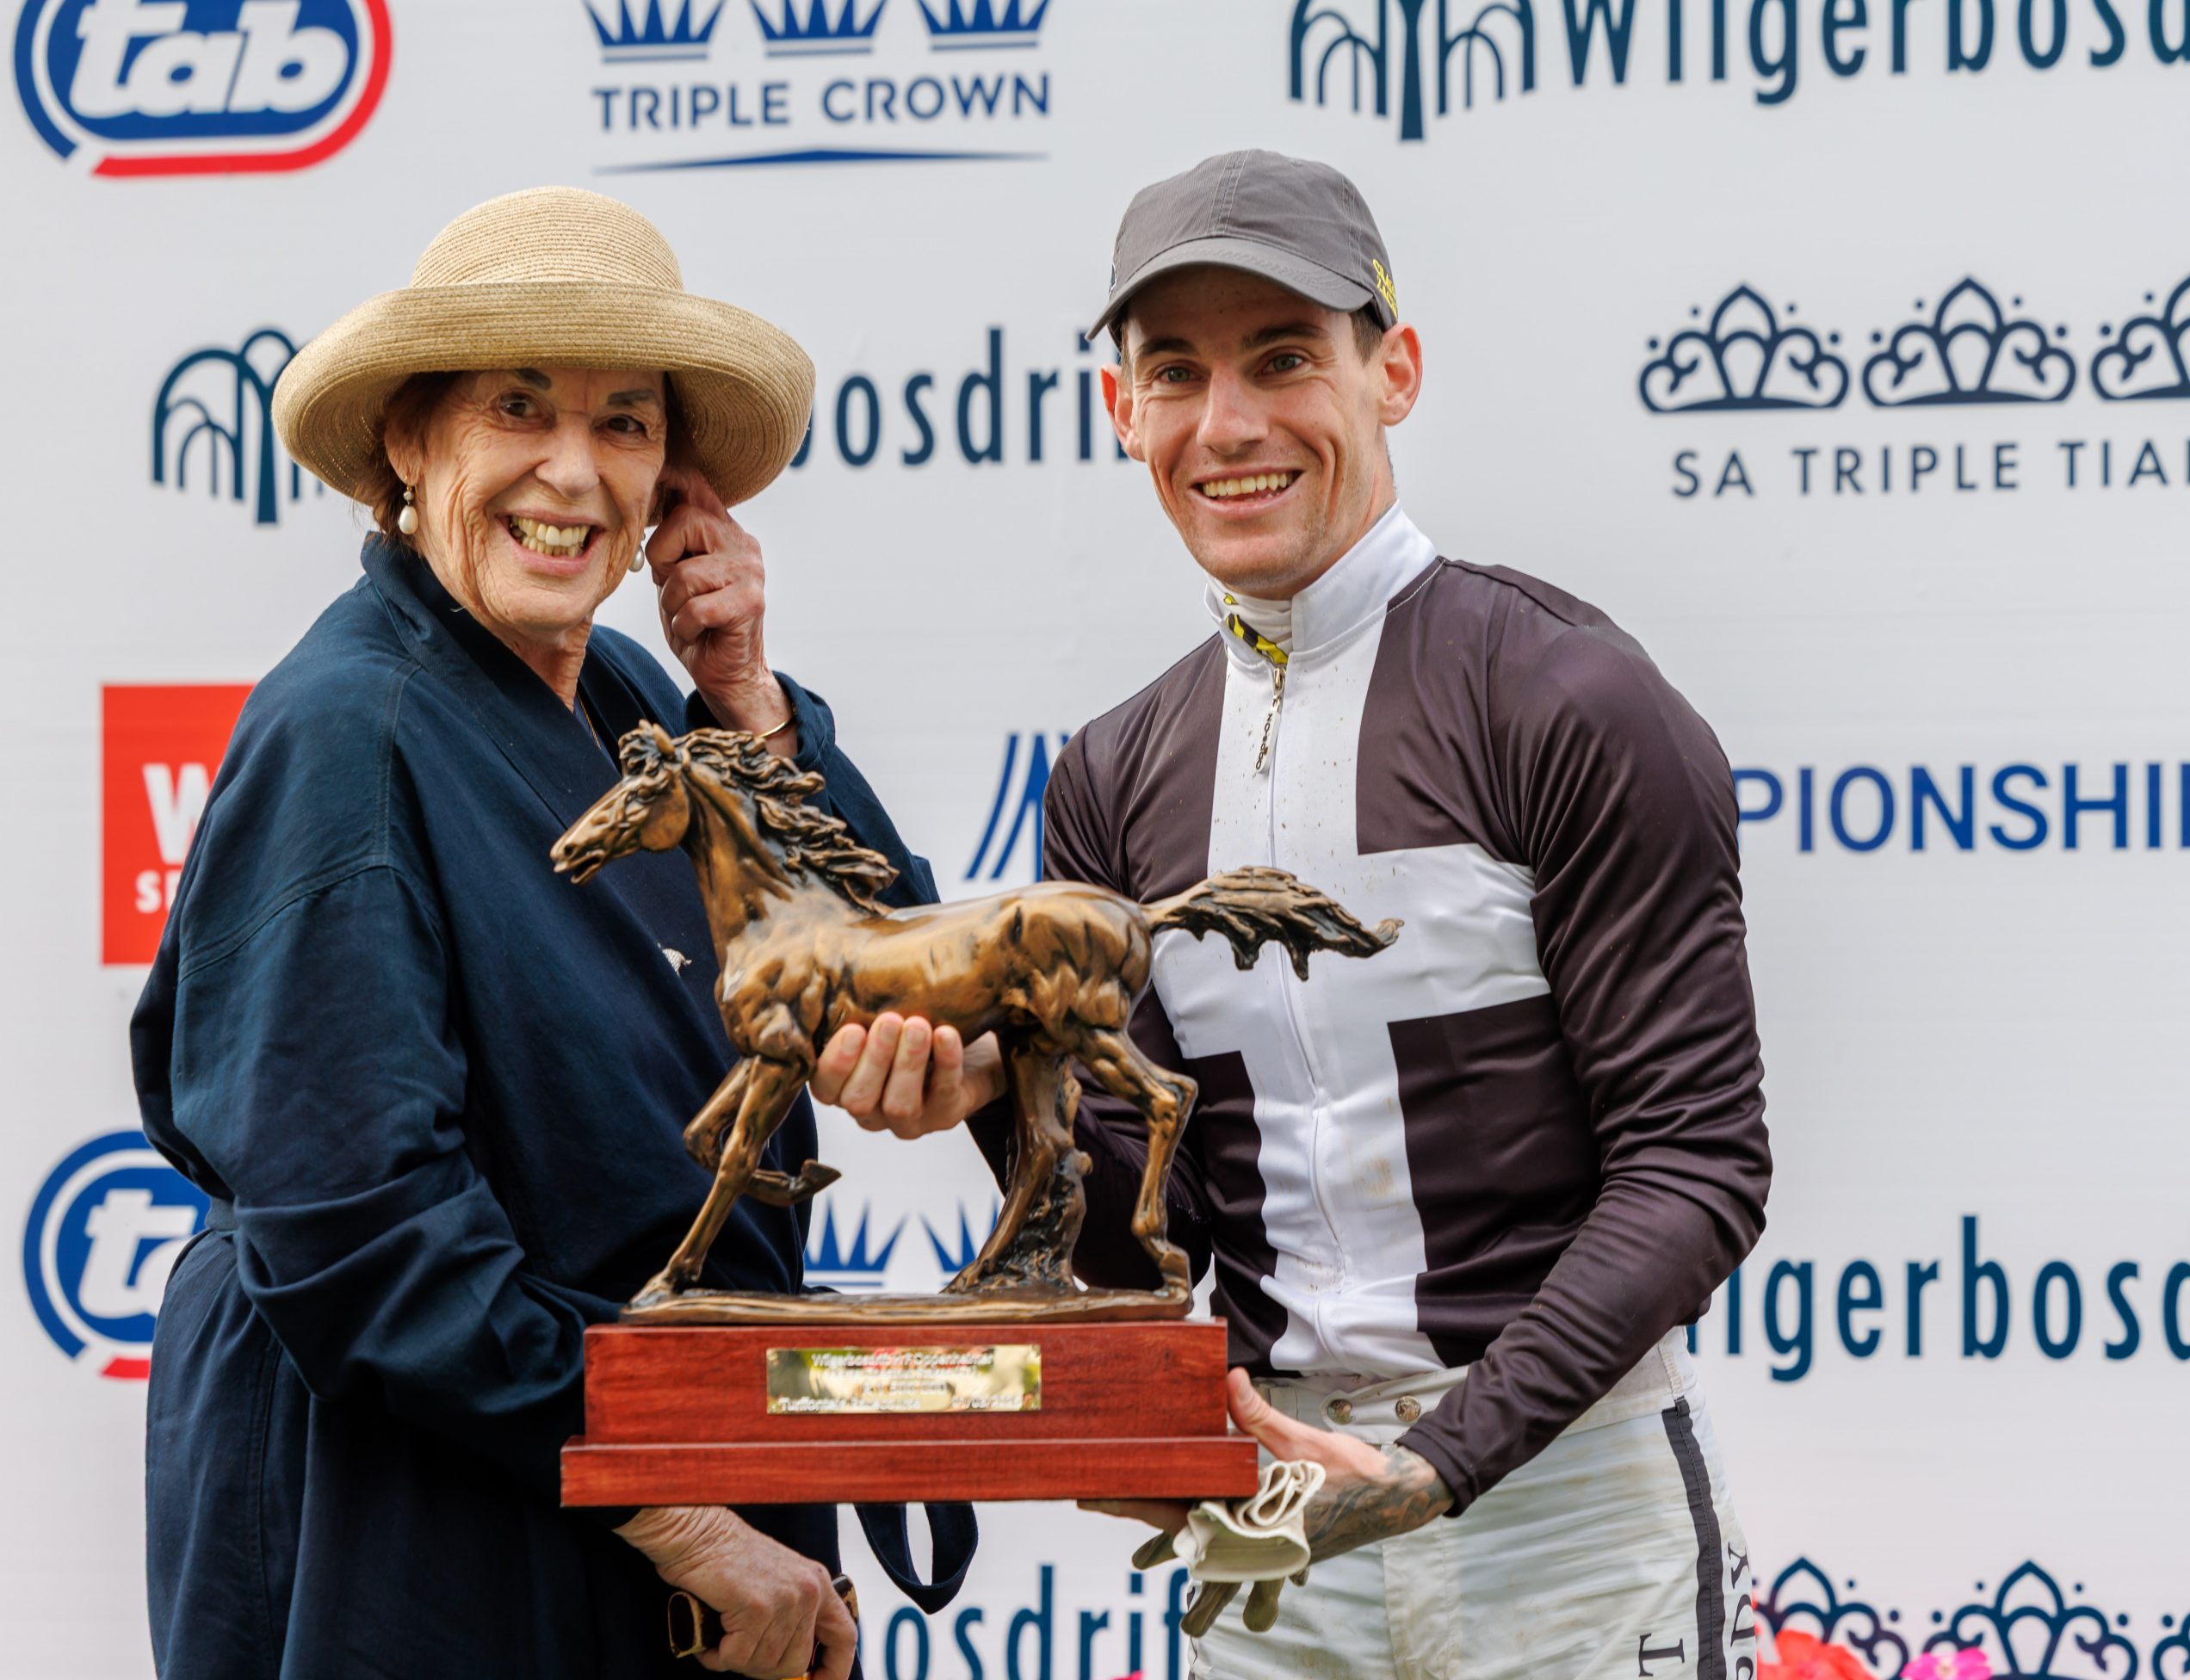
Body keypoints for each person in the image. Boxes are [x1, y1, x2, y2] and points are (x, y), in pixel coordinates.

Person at [813, 151, 1772, 1678]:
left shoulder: (1571, 698)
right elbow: (1154, 1240)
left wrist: (1443, 1460)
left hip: (1562, 1507)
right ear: (1122, 413)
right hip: (1271, 1519)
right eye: (1175, 373)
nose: (1230, 425)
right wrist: (1002, 1101)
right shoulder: (1114, 777)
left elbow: (1698, 1162)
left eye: (1283, 359)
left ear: (1391, 371)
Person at [132, 186, 968, 1680]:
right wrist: (684, 1513)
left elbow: (895, 970)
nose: (573, 476)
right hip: (422, 1522)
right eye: (519, 408)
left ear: (674, 483)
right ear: (410, 440)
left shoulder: (643, 698)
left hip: (628, 1476)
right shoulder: (350, 728)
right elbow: (357, 1233)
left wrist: (749, 695)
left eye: (626, 424)